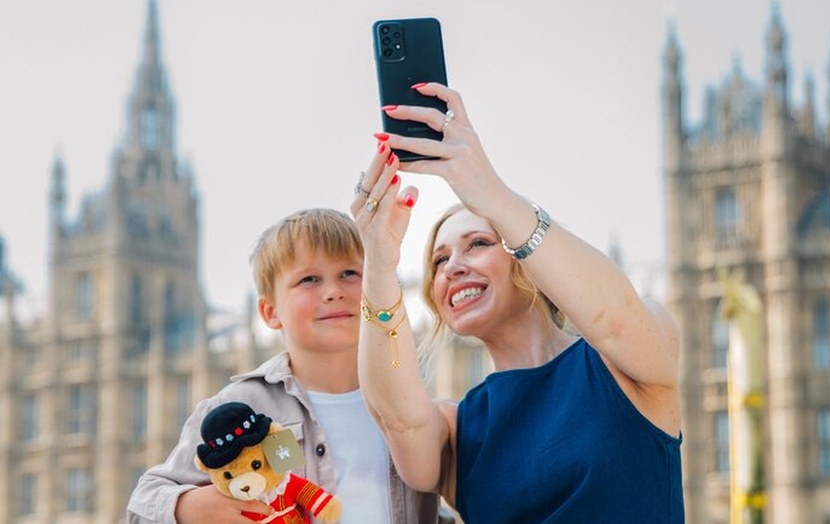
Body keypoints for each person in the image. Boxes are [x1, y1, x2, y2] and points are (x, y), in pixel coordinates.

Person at [351, 83, 684, 523]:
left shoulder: (625, 365)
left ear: (528, 263)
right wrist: (378, 262)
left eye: (478, 243)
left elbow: (614, 319)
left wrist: (489, 192)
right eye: (440, 260)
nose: (453, 267)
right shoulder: (461, 430)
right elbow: (398, 418)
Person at [127, 208, 452, 524]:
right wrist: (186, 507)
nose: (333, 292)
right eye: (309, 279)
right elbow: (142, 505)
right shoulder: (241, 406)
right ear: (270, 312)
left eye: (349, 274)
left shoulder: (405, 399)